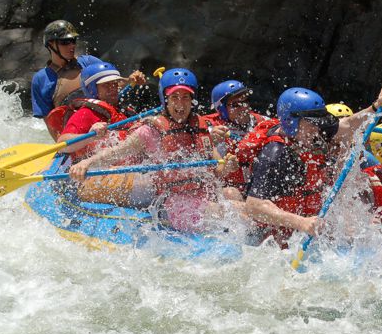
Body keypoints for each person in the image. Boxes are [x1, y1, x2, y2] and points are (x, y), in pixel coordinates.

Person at [69, 68, 237, 232]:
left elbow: (217, 170)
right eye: (175, 97)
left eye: (185, 97)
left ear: (192, 100)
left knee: (233, 193)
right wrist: (86, 163)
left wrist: (228, 166)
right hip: (172, 203)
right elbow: (116, 153)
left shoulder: (200, 127)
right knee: (225, 212)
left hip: (201, 196)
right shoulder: (151, 131)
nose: (180, 103)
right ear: (166, 100)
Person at [240, 86, 382, 247]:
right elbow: (254, 206)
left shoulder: (308, 131)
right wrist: (301, 222)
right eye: (312, 124)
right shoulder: (274, 154)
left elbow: (348, 125)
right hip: (272, 231)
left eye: (319, 124)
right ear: (290, 121)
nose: (317, 129)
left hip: (307, 222)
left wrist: (375, 106)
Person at [56, 61, 151, 206]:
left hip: (123, 172)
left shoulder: (124, 111)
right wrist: (91, 135)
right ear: (93, 89)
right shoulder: (85, 113)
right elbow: (62, 144)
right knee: (153, 186)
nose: (113, 88)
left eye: (114, 84)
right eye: (106, 85)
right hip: (90, 177)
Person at [31, 20, 144, 139]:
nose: (72, 46)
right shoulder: (41, 79)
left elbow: (112, 84)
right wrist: (64, 148)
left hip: (108, 121)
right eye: (65, 42)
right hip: (79, 132)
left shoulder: (89, 62)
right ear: (51, 45)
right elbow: (51, 123)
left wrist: (130, 80)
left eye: (73, 41)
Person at [201, 80, 268, 200]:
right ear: (222, 109)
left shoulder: (262, 122)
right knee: (230, 193)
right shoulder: (208, 127)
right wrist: (210, 139)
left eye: (245, 101)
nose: (244, 107)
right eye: (235, 105)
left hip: (255, 188)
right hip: (225, 191)